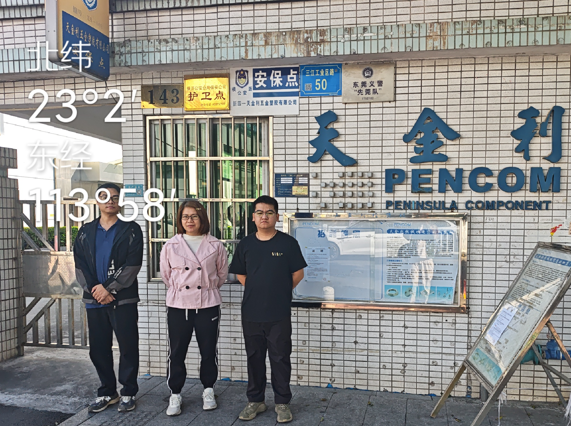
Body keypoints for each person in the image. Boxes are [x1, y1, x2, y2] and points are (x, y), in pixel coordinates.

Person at [229, 195, 307, 423]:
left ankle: (282, 402)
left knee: (280, 358)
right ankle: (256, 400)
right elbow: (241, 274)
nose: (264, 216)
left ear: (277, 216)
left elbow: (298, 273)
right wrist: (259, 290)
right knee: (254, 358)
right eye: (260, 212)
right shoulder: (245, 244)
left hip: (278, 313)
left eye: (269, 212)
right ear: (253, 217)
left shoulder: (287, 243)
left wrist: (279, 292)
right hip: (251, 313)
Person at [73, 183, 143, 413]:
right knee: (98, 348)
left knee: (128, 346)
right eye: (105, 196)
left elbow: (133, 264)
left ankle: (128, 391)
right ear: (97, 201)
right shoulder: (85, 231)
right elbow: (80, 264)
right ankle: (107, 392)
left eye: (114, 197)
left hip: (122, 299)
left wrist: (109, 289)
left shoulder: (131, 229)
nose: (110, 201)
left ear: (120, 201)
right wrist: (96, 289)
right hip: (94, 300)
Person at [160, 200, 228, 416]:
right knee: (176, 352)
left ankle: (208, 390)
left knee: (208, 351)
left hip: (207, 304)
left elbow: (221, 275)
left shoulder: (216, 245)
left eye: (194, 216)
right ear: (180, 220)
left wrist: (207, 289)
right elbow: (166, 276)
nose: (189, 220)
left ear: (202, 218)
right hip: (178, 305)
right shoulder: (171, 245)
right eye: (185, 216)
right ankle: (175, 393)